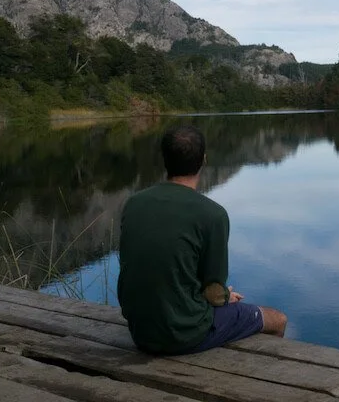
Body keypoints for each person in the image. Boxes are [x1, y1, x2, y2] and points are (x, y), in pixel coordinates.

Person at [117, 124, 287, 355]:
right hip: (182, 335)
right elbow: (215, 294)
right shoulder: (212, 215)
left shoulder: (134, 203)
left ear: (165, 159)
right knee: (277, 320)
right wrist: (225, 296)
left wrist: (217, 295)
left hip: (141, 332)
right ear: (204, 160)